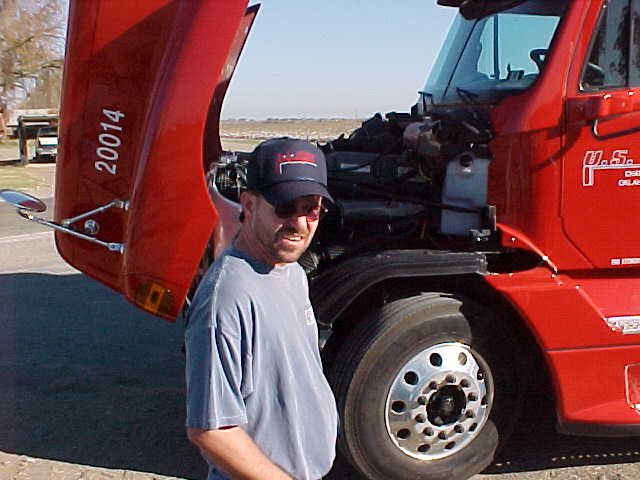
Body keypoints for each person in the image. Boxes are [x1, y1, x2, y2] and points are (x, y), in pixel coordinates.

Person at [185, 138, 338, 480]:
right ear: (249, 205)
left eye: (311, 208)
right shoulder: (226, 299)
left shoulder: (293, 273)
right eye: (285, 207)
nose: (300, 223)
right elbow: (211, 430)